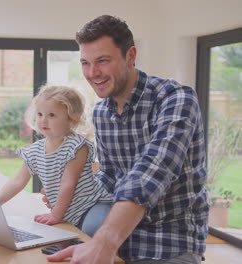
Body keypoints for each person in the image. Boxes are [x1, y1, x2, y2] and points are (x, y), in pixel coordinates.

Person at [47, 15, 208, 264]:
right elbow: (110, 176)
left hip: (168, 244)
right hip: (116, 237)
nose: (92, 73)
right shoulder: (102, 112)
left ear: (130, 56)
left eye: (102, 61)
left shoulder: (175, 99)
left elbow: (150, 176)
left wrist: (103, 242)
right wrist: (73, 191)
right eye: (85, 63)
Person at [0, 85, 112, 236]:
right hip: (66, 211)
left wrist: (56, 215)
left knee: (91, 230)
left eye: (52, 115)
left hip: (92, 205)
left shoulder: (77, 146)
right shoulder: (35, 150)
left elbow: (68, 183)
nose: (43, 120)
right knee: (64, 237)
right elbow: (17, 181)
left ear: (72, 117)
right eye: (39, 114)